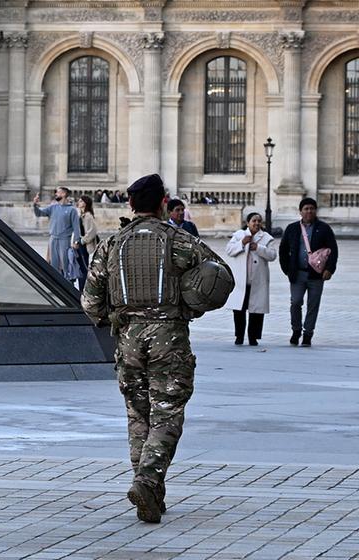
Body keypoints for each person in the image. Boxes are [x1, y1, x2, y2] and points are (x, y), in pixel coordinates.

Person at [82, 173, 228, 524]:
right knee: (167, 413)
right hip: (169, 337)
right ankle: (147, 481)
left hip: (128, 338)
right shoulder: (180, 240)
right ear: (164, 202)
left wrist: (114, 319)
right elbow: (220, 276)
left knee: (138, 415)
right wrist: (190, 304)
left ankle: (149, 491)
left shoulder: (111, 245)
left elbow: (89, 302)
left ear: (130, 205)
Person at [278, 198, 338, 347]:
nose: (309, 211)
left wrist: (329, 269)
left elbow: (333, 250)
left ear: (315, 210)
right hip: (297, 274)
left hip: (316, 275)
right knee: (296, 302)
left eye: (312, 208)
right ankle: (296, 329)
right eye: (306, 208)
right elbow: (283, 250)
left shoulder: (324, 228)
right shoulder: (292, 228)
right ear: (300, 211)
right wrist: (287, 269)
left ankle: (308, 334)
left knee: (313, 305)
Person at [225, 212, 277, 346]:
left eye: (259, 221)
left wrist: (258, 248)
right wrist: (242, 243)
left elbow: (272, 255)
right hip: (241, 281)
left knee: (256, 311)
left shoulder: (266, 238)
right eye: (254, 221)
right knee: (239, 310)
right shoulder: (239, 235)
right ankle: (239, 336)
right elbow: (229, 250)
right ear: (248, 223)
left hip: (258, 281)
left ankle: (253, 337)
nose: (257, 223)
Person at [32, 186, 81, 282]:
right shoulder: (53, 207)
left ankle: (67, 284)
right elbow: (39, 213)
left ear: (63, 194)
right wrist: (35, 205)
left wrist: (76, 241)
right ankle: (55, 284)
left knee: (65, 264)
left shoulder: (72, 210)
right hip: (53, 239)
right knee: (53, 263)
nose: (56, 194)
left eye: (58, 192)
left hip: (65, 240)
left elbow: (76, 228)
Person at [71, 195, 99, 291]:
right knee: (80, 268)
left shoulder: (88, 216)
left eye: (81, 201)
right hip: (80, 245)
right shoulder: (82, 215)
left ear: (85, 203)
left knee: (83, 269)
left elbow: (92, 231)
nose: (79, 203)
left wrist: (81, 241)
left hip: (83, 246)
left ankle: (83, 290)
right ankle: (81, 289)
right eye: (79, 201)